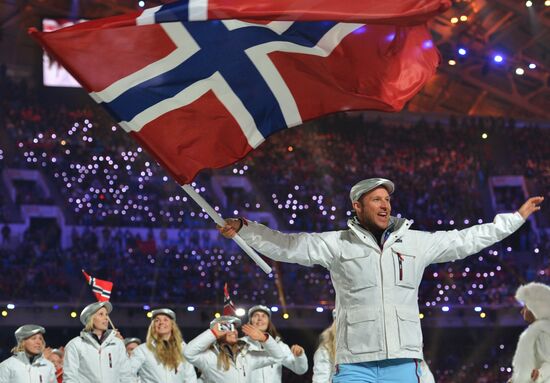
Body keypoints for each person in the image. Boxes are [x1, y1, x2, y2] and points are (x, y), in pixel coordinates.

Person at [219, 177, 544, 382]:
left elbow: (466, 239)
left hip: (403, 361)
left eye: (387, 199)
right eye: (377, 199)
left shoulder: (416, 243)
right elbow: (288, 246)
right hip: (353, 363)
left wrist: (513, 220)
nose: (385, 204)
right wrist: (248, 229)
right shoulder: (336, 243)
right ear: (358, 206)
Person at [183, 315, 285, 382]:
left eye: (234, 328)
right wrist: (212, 333)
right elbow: (188, 352)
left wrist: (264, 339)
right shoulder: (209, 357)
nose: (233, 331)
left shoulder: (247, 356)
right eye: (227, 327)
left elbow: (278, 357)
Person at [63, 301, 133, 382]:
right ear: (90, 318)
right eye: (101, 314)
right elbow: (70, 378)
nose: (106, 318)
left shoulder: (117, 344)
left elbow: (126, 375)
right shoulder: (75, 345)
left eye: (106, 314)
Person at [129, 308, 197, 382]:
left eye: (165, 320)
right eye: (157, 320)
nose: (161, 323)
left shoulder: (183, 349)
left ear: (172, 325)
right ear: (153, 326)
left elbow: (190, 377)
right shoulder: (143, 350)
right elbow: (128, 373)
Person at [245, 305, 308, 382]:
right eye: (256, 315)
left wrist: (300, 356)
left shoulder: (279, 346)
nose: (260, 319)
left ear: (269, 322)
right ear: (250, 321)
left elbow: (300, 370)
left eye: (264, 316)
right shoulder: (241, 344)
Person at [510, 282, 550, 383]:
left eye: (525, 307)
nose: (522, 311)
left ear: (536, 309)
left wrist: (540, 374)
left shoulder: (542, 332)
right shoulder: (537, 331)